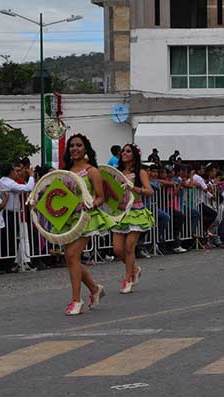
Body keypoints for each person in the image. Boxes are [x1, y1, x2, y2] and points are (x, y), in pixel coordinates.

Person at [57, 134, 116, 315]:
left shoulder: (92, 171)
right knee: (70, 258)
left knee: (73, 254)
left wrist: (89, 204)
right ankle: (94, 289)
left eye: (78, 145)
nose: (74, 148)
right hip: (68, 219)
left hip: (87, 218)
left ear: (86, 148)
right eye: (71, 146)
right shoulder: (66, 171)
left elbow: (101, 196)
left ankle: (76, 300)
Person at [113, 144, 154, 294]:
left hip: (136, 211)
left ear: (134, 154)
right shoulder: (117, 172)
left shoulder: (140, 172)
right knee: (118, 249)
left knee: (129, 247)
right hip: (121, 212)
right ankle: (135, 269)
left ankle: (128, 279)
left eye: (128, 151)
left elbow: (150, 191)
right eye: (123, 151)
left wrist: (134, 188)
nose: (124, 153)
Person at [0, 162, 35, 272]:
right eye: (15, 171)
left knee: (11, 239)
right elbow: (27, 188)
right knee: (10, 240)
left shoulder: (3, 181)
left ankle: (7, 265)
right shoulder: (8, 182)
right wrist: (32, 175)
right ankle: (6, 265)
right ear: (10, 172)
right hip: (9, 213)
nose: (17, 173)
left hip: (12, 213)